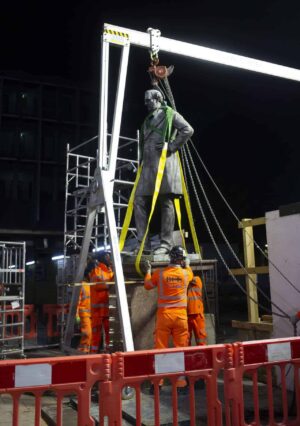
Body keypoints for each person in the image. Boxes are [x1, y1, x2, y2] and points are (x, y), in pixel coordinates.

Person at [134, 89, 194, 255]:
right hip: (147, 167)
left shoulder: (170, 114)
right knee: (139, 200)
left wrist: (172, 146)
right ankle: (143, 244)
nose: (145, 103)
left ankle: (165, 244)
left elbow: (188, 130)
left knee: (165, 202)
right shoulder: (146, 120)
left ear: (158, 99)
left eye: (148, 100)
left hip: (164, 164)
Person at [144, 245, 193, 389]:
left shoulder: (160, 274)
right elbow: (189, 271)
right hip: (181, 318)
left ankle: (157, 383)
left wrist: (148, 271)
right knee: (180, 349)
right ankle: (180, 383)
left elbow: (147, 285)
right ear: (182, 260)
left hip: (164, 316)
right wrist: (188, 265)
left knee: (160, 349)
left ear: (170, 257)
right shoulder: (186, 274)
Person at [89, 251, 114, 353]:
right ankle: (93, 353)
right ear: (102, 258)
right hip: (97, 310)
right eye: (107, 257)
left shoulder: (110, 271)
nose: (109, 259)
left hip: (108, 309)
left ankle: (108, 350)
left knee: (109, 332)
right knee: (96, 332)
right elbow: (98, 285)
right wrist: (111, 284)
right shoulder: (96, 271)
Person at [76, 267, 92, 353]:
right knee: (88, 332)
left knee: (90, 333)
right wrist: (76, 315)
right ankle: (83, 349)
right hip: (84, 313)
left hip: (92, 313)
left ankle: (84, 349)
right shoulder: (82, 285)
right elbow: (77, 301)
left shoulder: (93, 284)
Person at [187, 276, 207, 346]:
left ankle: (202, 353)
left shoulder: (197, 280)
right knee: (186, 339)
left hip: (197, 315)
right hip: (187, 315)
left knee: (201, 338)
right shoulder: (185, 286)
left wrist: (187, 270)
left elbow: (191, 279)